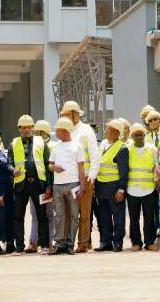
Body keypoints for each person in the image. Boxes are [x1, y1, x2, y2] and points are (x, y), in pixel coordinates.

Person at [9, 115, 51, 254]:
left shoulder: (41, 142)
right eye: (23, 127)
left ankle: (44, 245)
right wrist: (12, 170)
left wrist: (48, 186)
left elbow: (47, 164)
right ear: (19, 128)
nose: (26, 130)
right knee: (18, 216)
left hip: (39, 185)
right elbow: (9, 163)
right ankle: (19, 247)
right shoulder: (14, 143)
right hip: (21, 185)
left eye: (29, 127)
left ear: (33, 128)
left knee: (42, 216)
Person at [64, 100, 100, 253]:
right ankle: (67, 242)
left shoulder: (86, 131)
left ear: (74, 113)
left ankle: (83, 242)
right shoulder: (63, 130)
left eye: (66, 114)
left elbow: (94, 155)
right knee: (67, 213)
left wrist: (92, 176)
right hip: (67, 179)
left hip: (84, 178)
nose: (64, 117)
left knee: (84, 213)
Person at [48, 117, 84, 255]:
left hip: (73, 184)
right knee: (59, 216)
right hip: (58, 185)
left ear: (64, 131)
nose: (56, 133)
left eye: (57, 130)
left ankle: (70, 244)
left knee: (74, 216)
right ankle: (59, 243)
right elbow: (49, 165)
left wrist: (82, 186)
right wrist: (54, 167)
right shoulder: (56, 146)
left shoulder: (77, 146)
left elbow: (81, 168)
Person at [95, 119, 128, 252]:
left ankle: (118, 242)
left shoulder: (122, 148)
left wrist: (121, 189)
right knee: (103, 216)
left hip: (114, 186)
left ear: (116, 132)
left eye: (108, 129)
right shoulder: (102, 144)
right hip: (101, 186)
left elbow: (124, 172)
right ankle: (105, 241)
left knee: (118, 216)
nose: (105, 131)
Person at [126, 123, 159, 250]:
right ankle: (136, 243)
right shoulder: (127, 149)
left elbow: (156, 167)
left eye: (141, 135)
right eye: (136, 135)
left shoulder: (152, 149)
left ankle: (149, 242)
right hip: (132, 189)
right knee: (133, 219)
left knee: (149, 217)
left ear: (144, 135)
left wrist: (157, 182)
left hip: (148, 189)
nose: (139, 137)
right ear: (132, 136)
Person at [28, 119, 55, 252]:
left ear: (45, 133)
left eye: (39, 132)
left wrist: (50, 186)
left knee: (48, 214)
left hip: (47, 186)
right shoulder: (34, 145)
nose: (36, 134)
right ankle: (33, 241)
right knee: (35, 215)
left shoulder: (52, 146)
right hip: (37, 186)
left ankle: (49, 241)